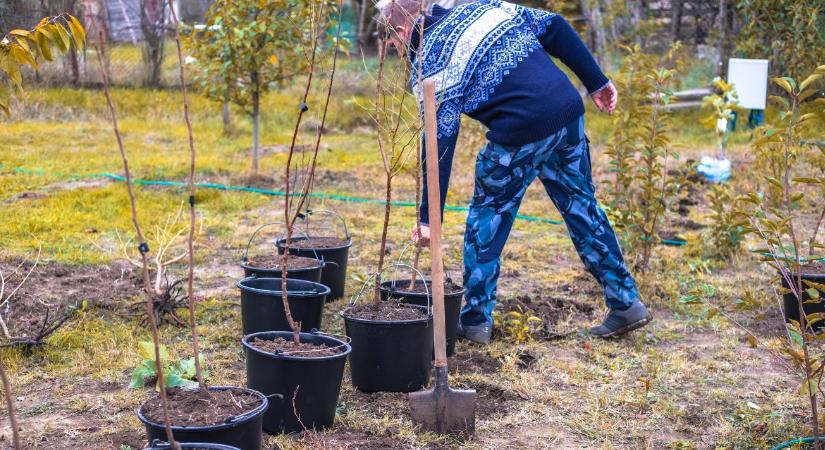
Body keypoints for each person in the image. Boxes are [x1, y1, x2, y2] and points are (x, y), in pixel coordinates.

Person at [378, 0, 652, 343]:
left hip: (521, 131)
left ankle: (476, 321)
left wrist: (428, 219)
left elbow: (438, 141)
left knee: (486, 218)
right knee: (582, 206)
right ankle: (626, 303)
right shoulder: (483, 6)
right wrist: (595, 81)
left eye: (394, 46)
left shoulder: (429, 61)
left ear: (402, 31)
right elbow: (554, 26)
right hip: (567, 112)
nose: (399, 53)